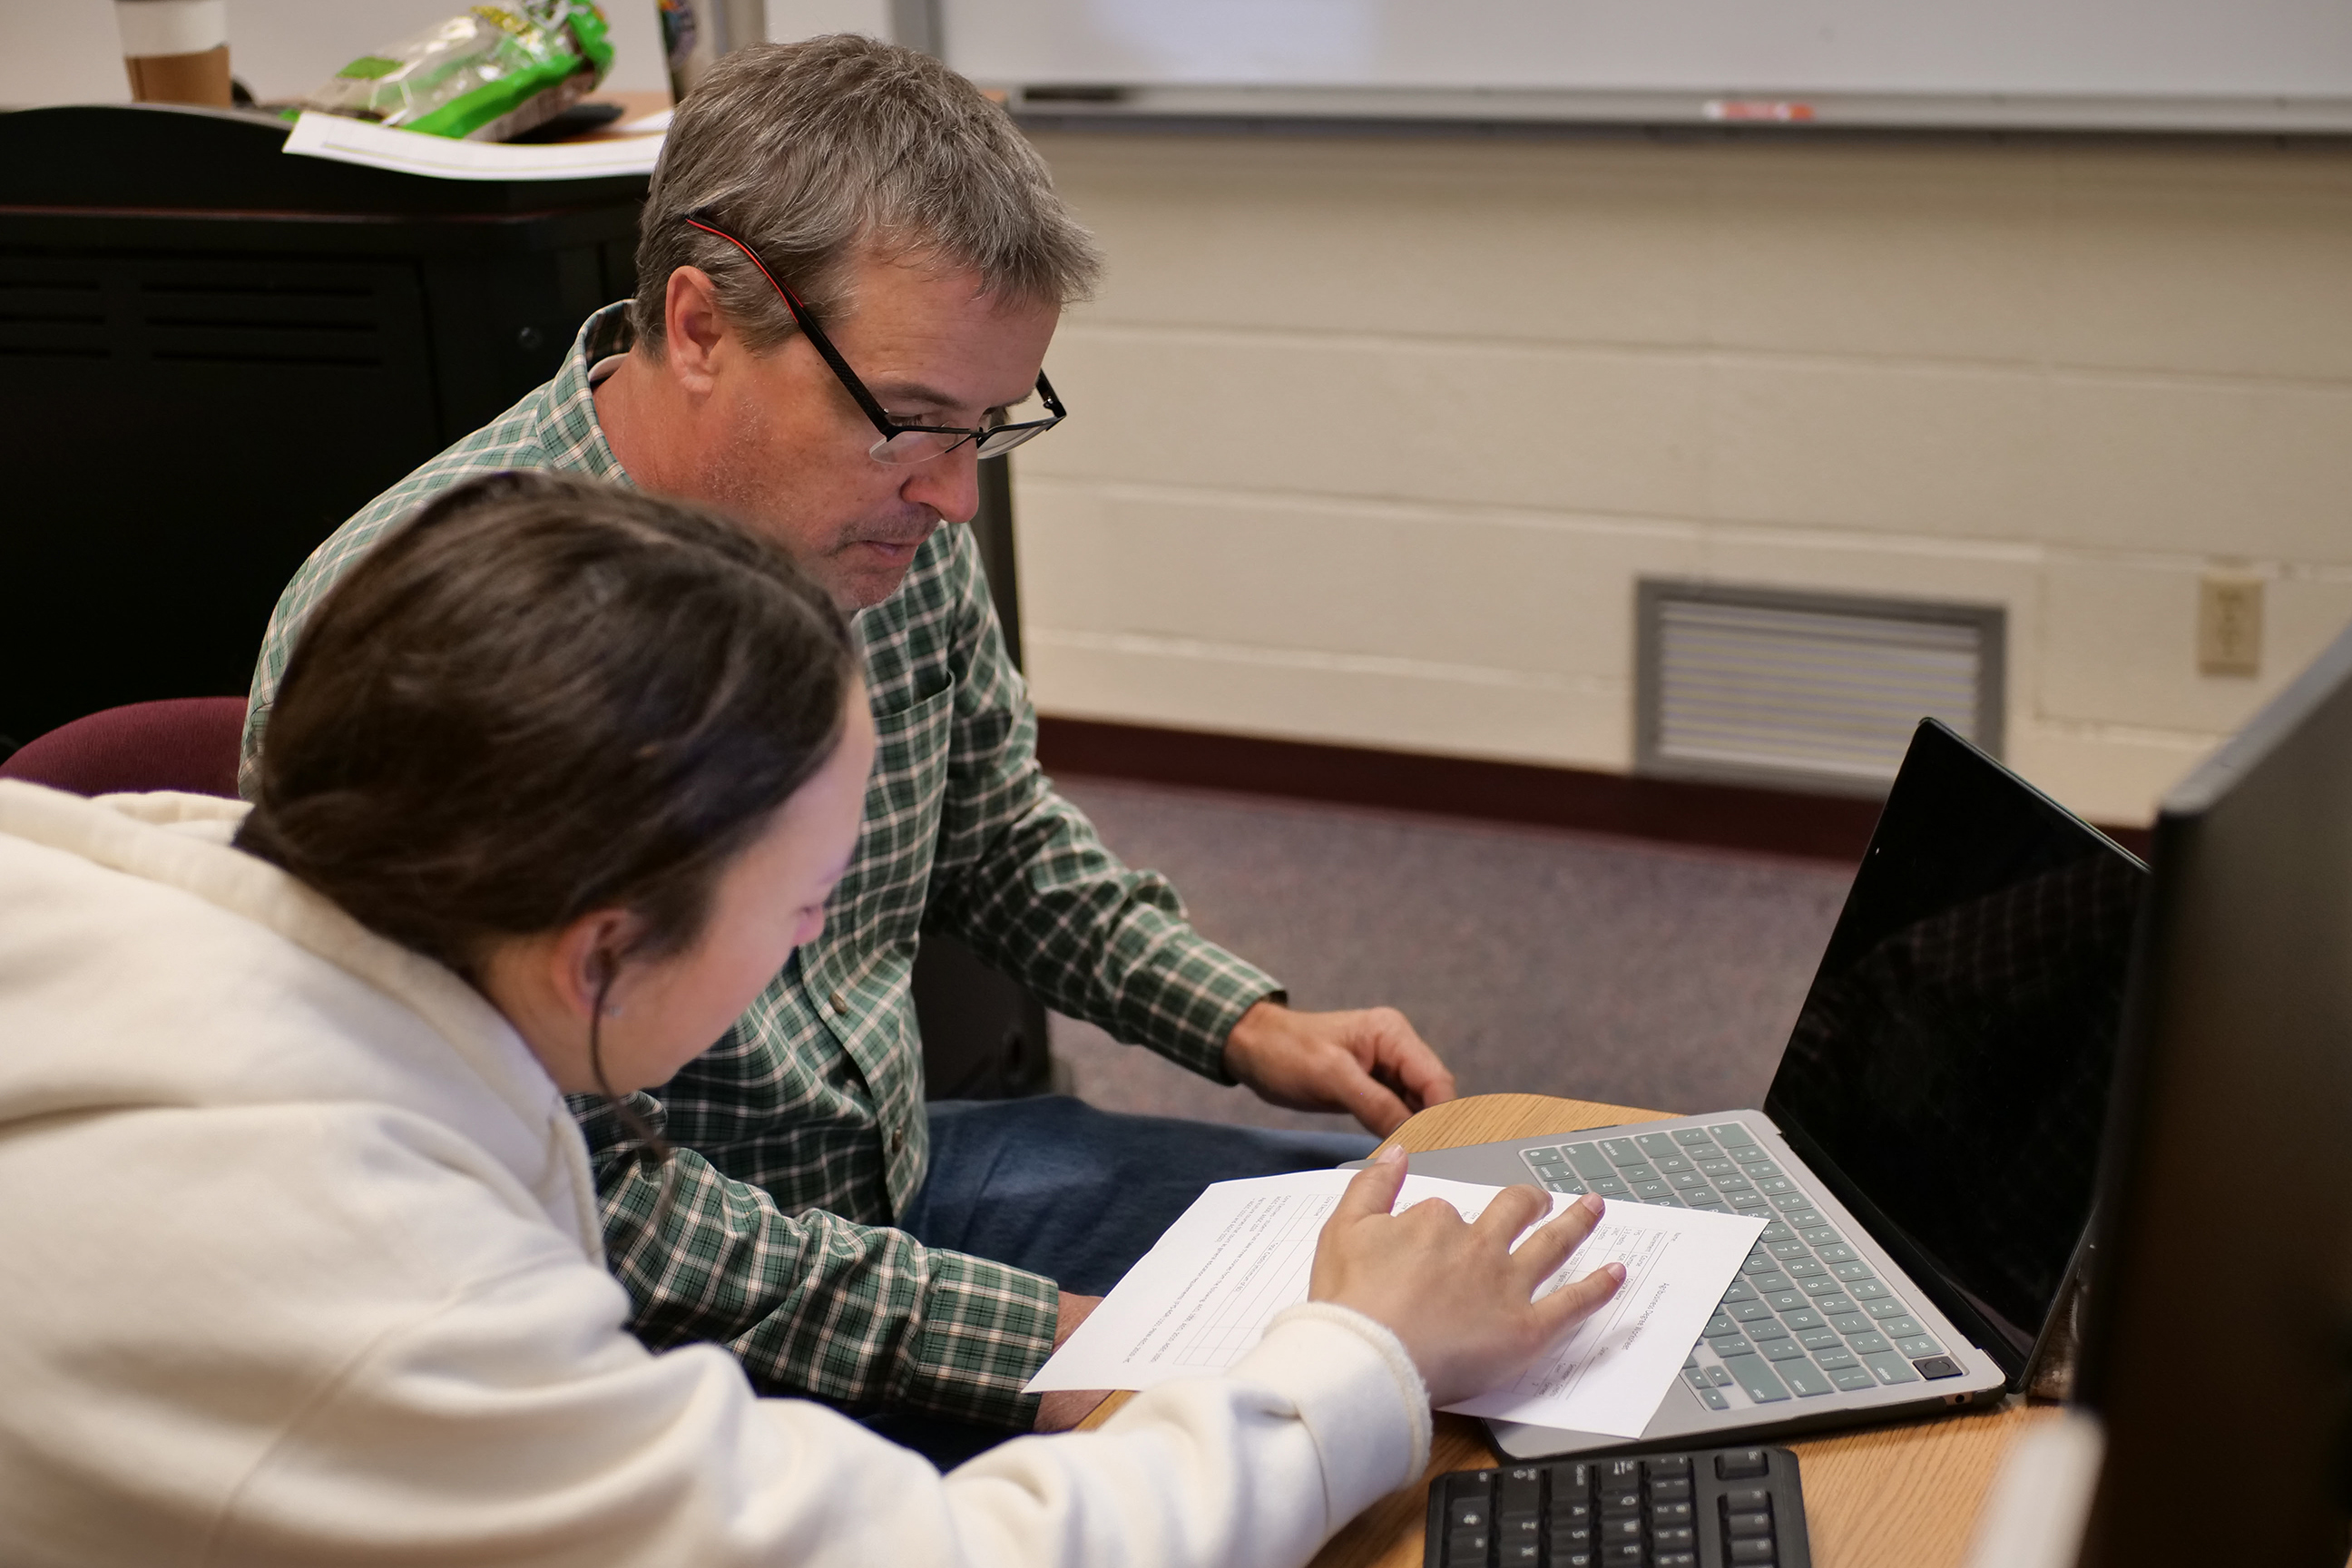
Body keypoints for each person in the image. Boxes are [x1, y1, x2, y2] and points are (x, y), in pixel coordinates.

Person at [0, 473, 1625, 1567]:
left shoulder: (160, 899)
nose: (823, 937)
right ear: (604, 953)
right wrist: (1361, 1359)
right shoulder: (372, 1290)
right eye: (802, 909)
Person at [240, 34, 1465, 1453]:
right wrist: (1081, 1348)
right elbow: (589, 1203)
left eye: (987, 427)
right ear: (699, 325)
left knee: (1414, 1252)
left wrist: (1247, 1021)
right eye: (913, 423)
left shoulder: (877, 519)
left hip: (895, 1185)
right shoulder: (443, 628)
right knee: (1307, 1452)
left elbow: (993, 836)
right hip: (645, 1346)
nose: (952, 494)